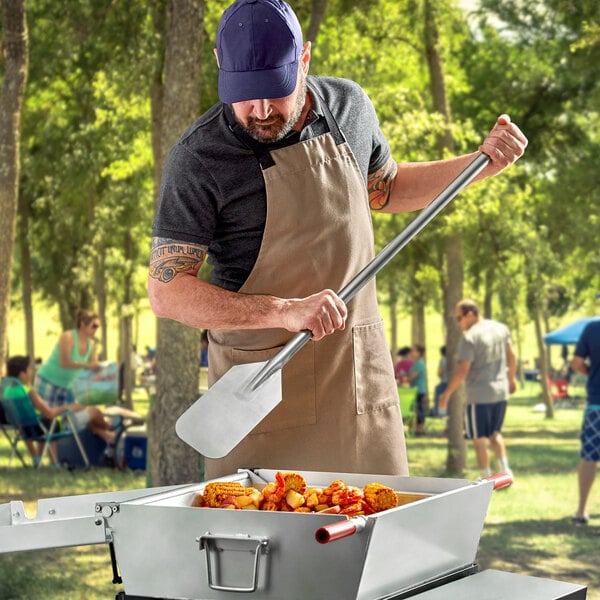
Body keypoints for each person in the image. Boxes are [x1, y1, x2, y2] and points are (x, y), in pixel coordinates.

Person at [148, 0, 527, 479]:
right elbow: (166, 291)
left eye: (275, 91)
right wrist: (286, 310)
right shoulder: (200, 156)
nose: (261, 110)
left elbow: (386, 189)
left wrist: (478, 165)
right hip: (263, 386)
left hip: (357, 377)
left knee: (373, 536)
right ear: (221, 65)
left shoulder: (350, 106)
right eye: (245, 94)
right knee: (269, 543)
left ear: (304, 59)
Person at [439, 299, 517, 479]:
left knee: (479, 437)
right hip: (500, 391)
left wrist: (446, 394)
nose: (458, 324)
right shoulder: (500, 328)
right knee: (495, 433)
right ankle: (506, 472)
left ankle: (486, 477)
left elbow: (462, 370)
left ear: (470, 314)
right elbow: (512, 356)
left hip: (479, 395)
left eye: (459, 318)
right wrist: (511, 379)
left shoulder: (470, 337)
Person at [6, 355, 115, 464]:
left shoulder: (8, 392)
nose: (32, 371)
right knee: (93, 411)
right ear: (22, 374)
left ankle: (105, 433)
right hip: (49, 426)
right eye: (29, 369)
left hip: (27, 430)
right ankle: (110, 428)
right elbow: (49, 413)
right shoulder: (29, 391)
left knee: (85, 414)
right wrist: (68, 408)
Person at [35, 309, 102, 410]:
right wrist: (88, 365)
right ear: (83, 324)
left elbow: (93, 366)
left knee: (69, 420)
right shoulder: (68, 337)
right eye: (94, 326)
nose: (96, 329)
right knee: (47, 420)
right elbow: (65, 363)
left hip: (67, 387)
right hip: (49, 381)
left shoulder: (92, 344)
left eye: (98, 327)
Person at [571, 319, 600, 524]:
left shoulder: (592, 328)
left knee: (590, 457)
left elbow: (577, 363)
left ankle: (581, 510)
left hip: (596, 405)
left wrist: (593, 374)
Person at [407, 344, 428, 435]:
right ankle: (418, 428)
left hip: (418, 390)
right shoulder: (418, 362)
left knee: (419, 410)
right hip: (418, 390)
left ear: (419, 353)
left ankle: (420, 429)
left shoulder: (419, 363)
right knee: (418, 409)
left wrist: (405, 378)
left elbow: (411, 377)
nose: (411, 352)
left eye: (413, 351)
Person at [432, 345, 448, 417]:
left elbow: (439, 373)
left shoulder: (443, 359)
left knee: (439, 401)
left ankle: (439, 416)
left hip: (444, 383)